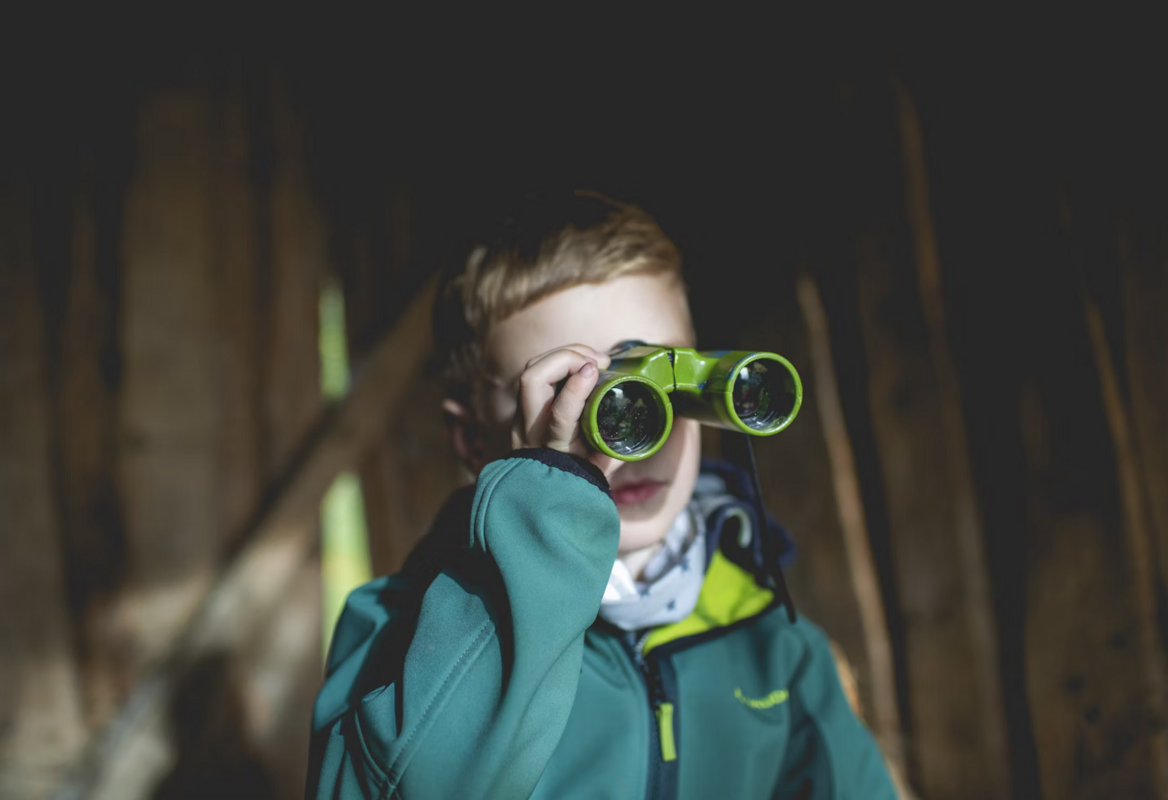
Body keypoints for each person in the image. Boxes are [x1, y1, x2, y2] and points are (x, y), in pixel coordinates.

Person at [305, 191, 898, 799]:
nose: (634, 444)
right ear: (470, 437)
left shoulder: (775, 645)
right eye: (576, 397)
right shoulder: (396, 630)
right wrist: (549, 500)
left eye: (667, 388)